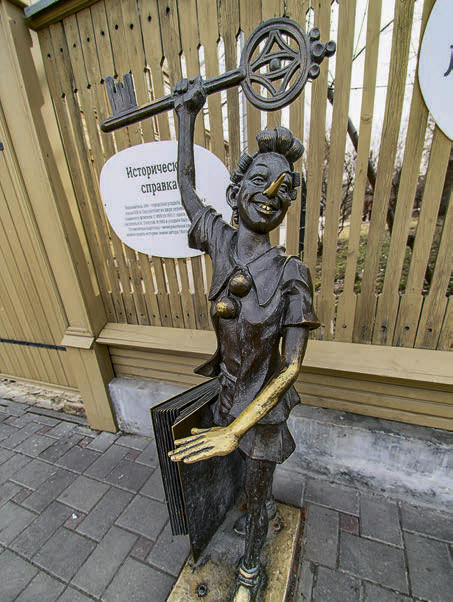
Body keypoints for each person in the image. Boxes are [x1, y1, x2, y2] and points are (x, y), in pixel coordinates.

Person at [168, 76, 320, 601]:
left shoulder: (292, 274)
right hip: (227, 394)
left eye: (284, 189)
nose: (272, 194)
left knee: (256, 496)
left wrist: (238, 430)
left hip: (263, 410)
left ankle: (251, 572)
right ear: (236, 193)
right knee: (234, 480)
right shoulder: (220, 240)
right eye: (260, 180)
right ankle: (253, 509)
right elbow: (185, 188)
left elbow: (292, 365)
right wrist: (186, 116)